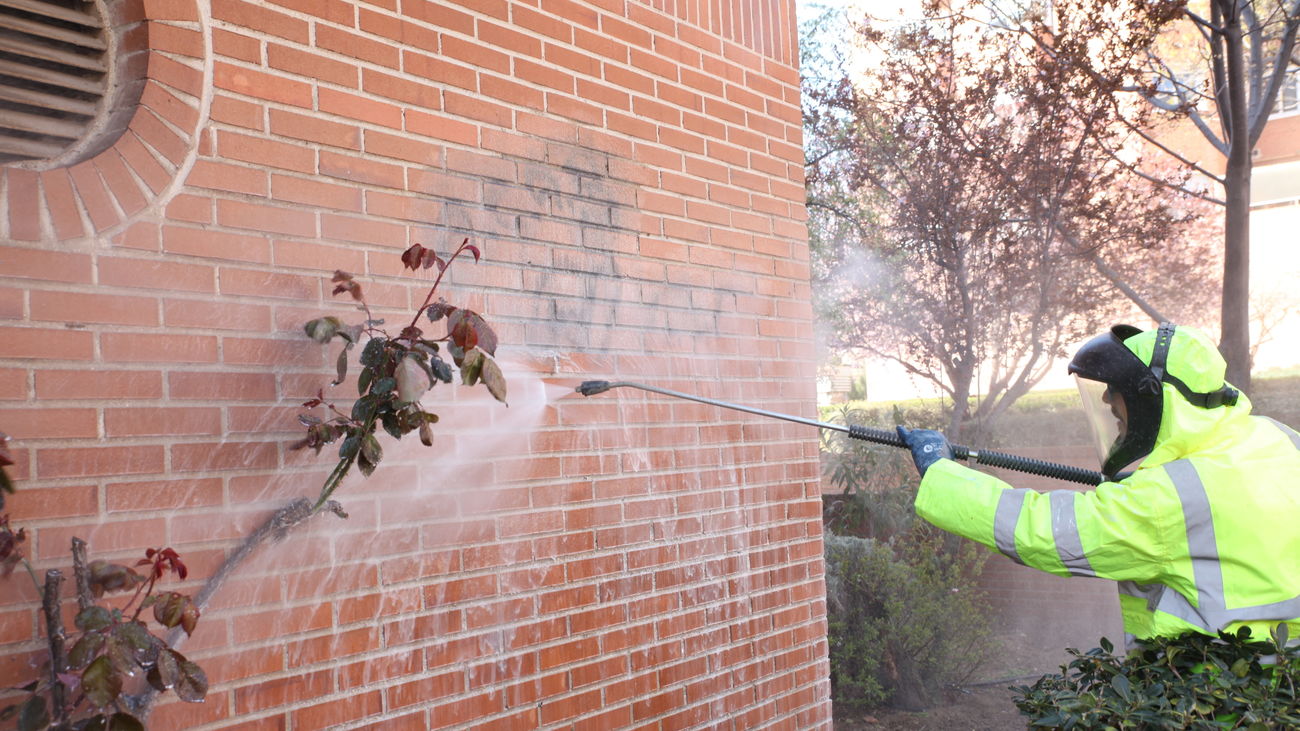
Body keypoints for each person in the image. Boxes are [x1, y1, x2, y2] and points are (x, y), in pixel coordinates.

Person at [896, 322, 1300, 645]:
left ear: (1152, 397)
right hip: (1277, 689)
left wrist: (941, 472)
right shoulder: (1278, 438)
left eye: (1116, 390)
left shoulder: (1168, 499)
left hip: (1212, 699)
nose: (1107, 401)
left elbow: (1049, 534)